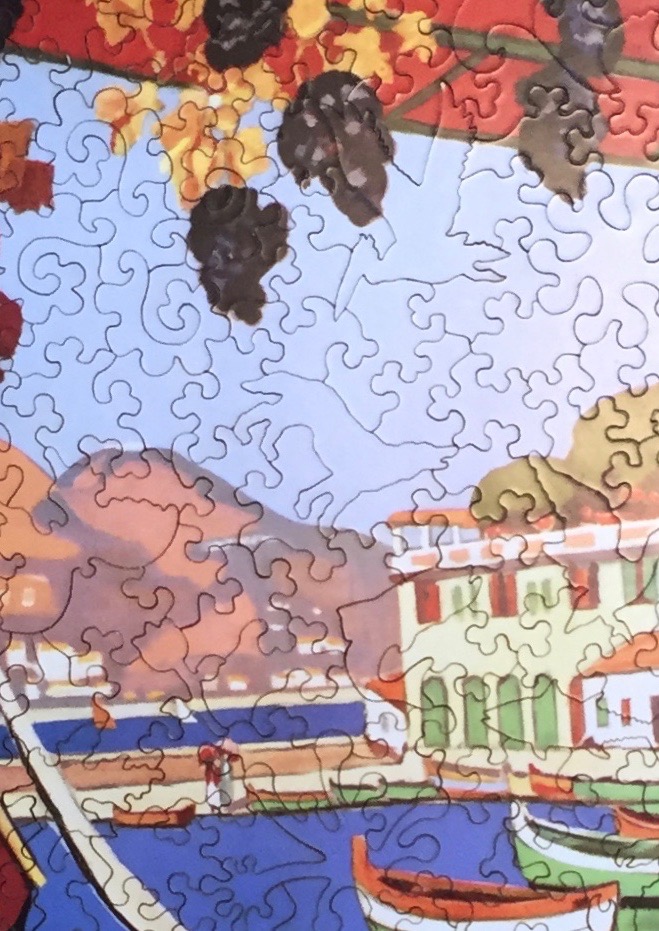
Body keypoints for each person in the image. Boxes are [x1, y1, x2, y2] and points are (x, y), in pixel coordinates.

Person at [198, 737, 243, 813]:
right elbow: (203, 755)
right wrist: (213, 758)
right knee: (213, 787)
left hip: (223, 769)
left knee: (225, 782)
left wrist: (225, 755)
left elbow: (235, 755)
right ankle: (216, 807)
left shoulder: (227, 744)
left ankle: (225, 806)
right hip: (213, 774)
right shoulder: (207, 747)